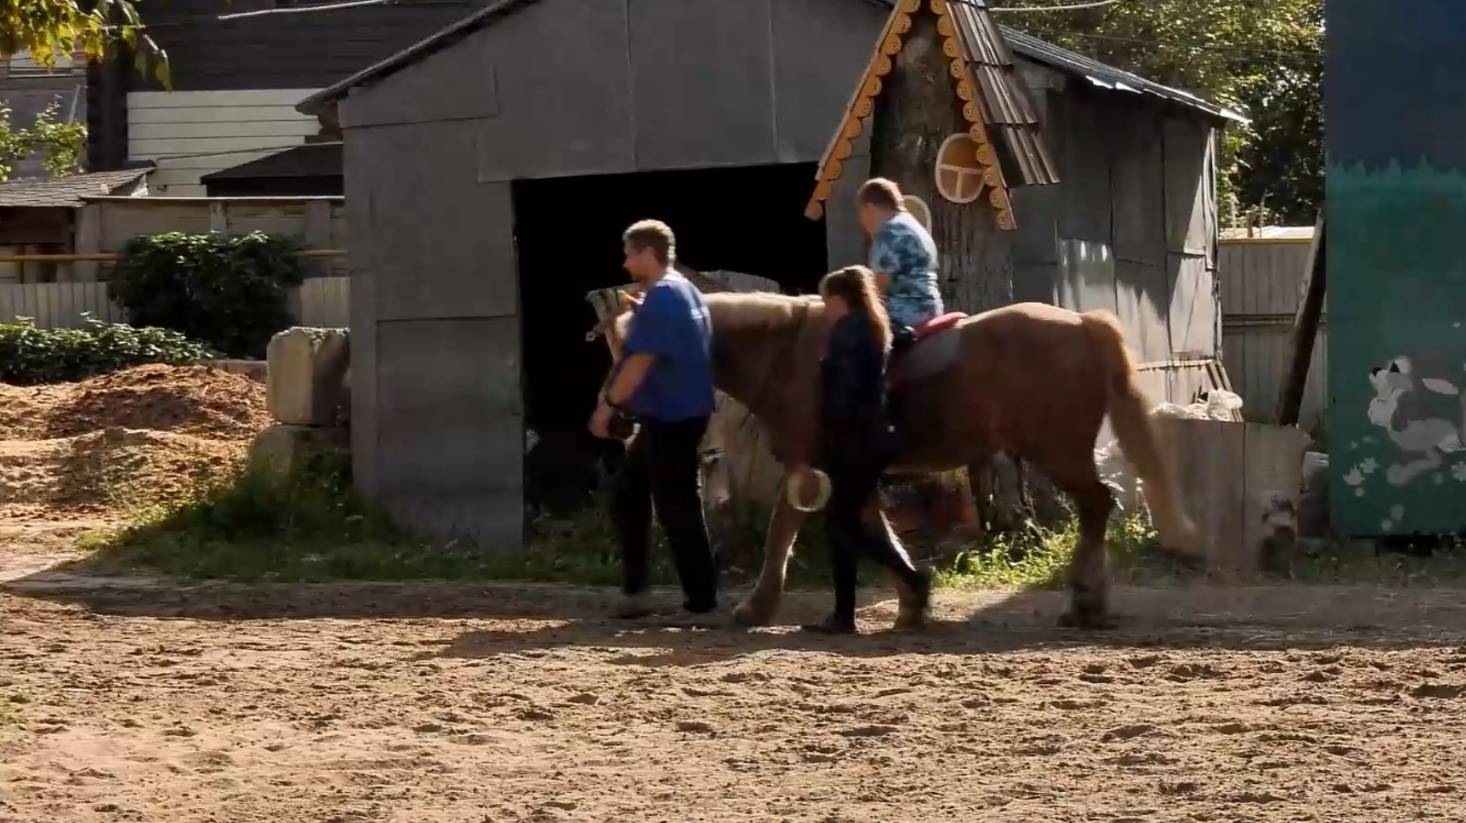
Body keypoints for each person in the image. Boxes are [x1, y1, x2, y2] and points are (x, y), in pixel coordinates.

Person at [590, 219, 719, 619]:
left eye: (630, 254)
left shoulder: (663, 297)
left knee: (677, 507)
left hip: (671, 416)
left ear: (648, 253)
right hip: (677, 413)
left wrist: (607, 405)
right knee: (629, 493)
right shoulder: (685, 291)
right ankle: (638, 593)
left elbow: (638, 362)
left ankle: (702, 604)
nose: (626, 264)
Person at [804, 265, 931, 634]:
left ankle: (910, 577)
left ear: (839, 299)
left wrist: (827, 435)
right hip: (873, 438)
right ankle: (844, 614)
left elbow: (843, 394)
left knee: (843, 526)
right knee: (841, 524)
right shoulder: (875, 325)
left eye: (827, 301)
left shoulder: (847, 333)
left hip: (853, 441)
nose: (825, 309)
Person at [856, 177, 943, 350]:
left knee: (851, 334)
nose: (861, 221)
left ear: (870, 207)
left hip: (904, 312)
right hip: (931, 306)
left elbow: (879, 287)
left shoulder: (889, 232)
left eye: (861, 212)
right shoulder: (913, 225)